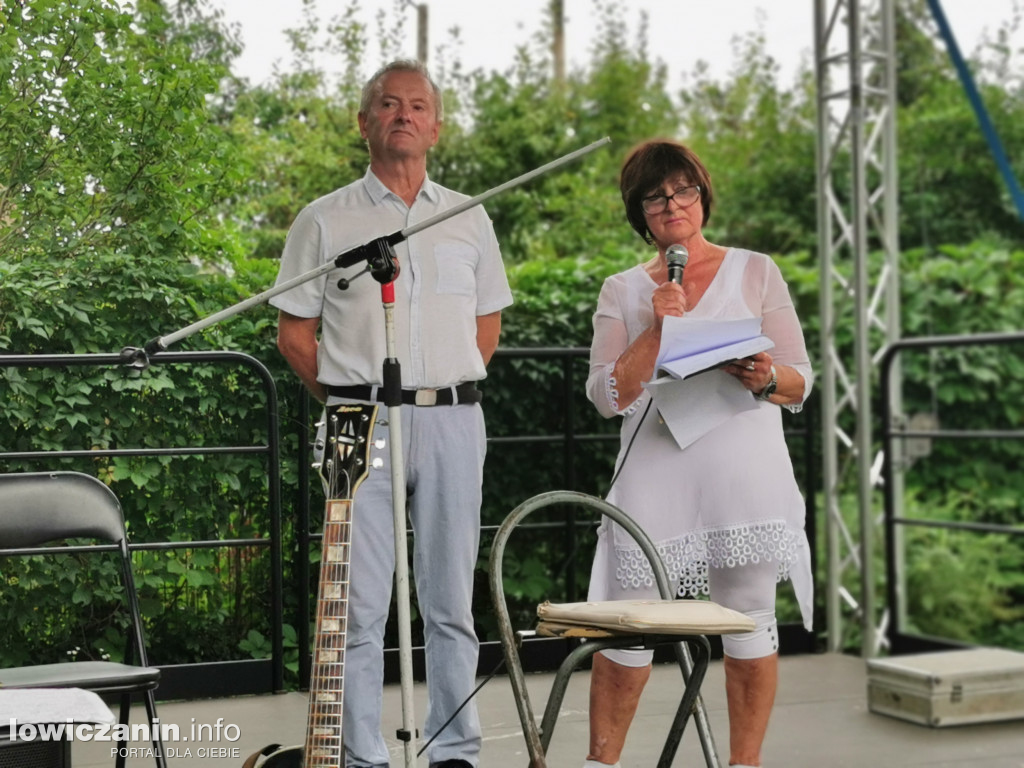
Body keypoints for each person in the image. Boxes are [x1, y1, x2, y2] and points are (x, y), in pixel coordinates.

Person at [269, 60, 512, 768]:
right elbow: (293, 336)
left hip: (452, 420)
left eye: (416, 105)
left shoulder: (468, 213)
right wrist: (353, 402)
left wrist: (436, 392)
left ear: (435, 125)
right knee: (356, 605)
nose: (402, 114)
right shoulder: (324, 218)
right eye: (387, 104)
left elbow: (485, 325)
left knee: (449, 601)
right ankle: (359, 756)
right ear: (364, 121)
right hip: (354, 420)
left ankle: (454, 752)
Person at [582, 139, 814, 768]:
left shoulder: (756, 270)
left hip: (743, 471)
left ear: (702, 195)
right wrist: (658, 331)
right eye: (655, 196)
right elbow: (604, 395)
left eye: (683, 189)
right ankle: (600, 764)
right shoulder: (623, 289)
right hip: (656, 474)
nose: (671, 203)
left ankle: (744, 764)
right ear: (640, 213)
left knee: (749, 620)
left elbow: (801, 379)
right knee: (626, 625)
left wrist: (764, 375)